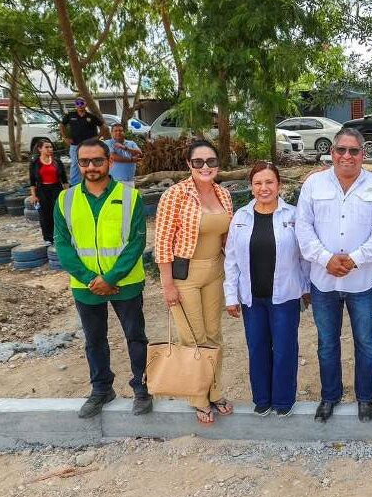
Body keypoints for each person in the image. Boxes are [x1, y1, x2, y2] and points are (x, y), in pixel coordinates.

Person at [296, 128, 372, 423]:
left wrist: (353, 260)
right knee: (327, 343)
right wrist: (326, 259)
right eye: (341, 150)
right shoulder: (313, 184)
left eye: (354, 151)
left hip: (362, 282)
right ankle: (330, 396)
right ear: (332, 152)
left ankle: (365, 398)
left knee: (366, 342)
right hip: (323, 281)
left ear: (363, 154)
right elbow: (303, 227)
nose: (347, 156)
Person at [52, 138, 152, 418]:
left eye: (97, 160)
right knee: (94, 340)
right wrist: (90, 278)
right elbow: (62, 244)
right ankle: (101, 389)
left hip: (125, 283)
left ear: (109, 161)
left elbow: (136, 242)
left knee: (135, 337)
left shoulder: (131, 197)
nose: (91, 167)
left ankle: (142, 388)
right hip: (86, 286)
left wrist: (111, 278)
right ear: (78, 164)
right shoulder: (65, 199)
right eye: (84, 162)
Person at [154, 139, 234, 426]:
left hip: (215, 271)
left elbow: (226, 237)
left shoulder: (224, 194)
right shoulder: (175, 195)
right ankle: (198, 397)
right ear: (189, 164)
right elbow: (162, 242)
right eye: (198, 162)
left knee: (214, 335)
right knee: (193, 338)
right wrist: (167, 285)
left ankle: (214, 390)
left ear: (218, 163)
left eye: (211, 161)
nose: (205, 167)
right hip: (185, 275)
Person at [224, 163, 310, 417]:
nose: (264, 188)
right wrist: (231, 295)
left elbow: (304, 257)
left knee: (284, 350)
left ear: (279, 185)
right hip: (252, 298)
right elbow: (231, 259)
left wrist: (306, 288)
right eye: (258, 183)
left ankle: (283, 401)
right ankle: (262, 399)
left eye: (269, 182)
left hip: (286, 296)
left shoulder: (293, 215)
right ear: (251, 187)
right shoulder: (241, 217)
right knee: (257, 348)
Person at [29, 140, 68, 245]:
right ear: (40, 149)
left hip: (56, 189)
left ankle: (60, 236)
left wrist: (67, 193)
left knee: (58, 213)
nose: (50, 149)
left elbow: (64, 180)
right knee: (45, 215)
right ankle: (48, 238)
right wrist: (33, 195)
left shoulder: (57, 162)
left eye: (51, 147)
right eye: (47, 147)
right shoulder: (35, 163)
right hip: (42, 190)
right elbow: (32, 181)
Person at [60, 98, 105, 186]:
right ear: (75, 105)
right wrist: (65, 137)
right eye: (78, 103)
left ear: (85, 104)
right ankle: (74, 184)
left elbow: (103, 127)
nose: (80, 105)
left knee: (90, 163)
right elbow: (62, 125)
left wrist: (98, 137)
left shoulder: (91, 116)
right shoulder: (70, 115)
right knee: (75, 164)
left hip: (89, 145)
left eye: (82, 103)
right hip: (75, 145)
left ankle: (91, 181)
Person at [105, 122, 143, 187]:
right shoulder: (108, 143)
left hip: (130, 180)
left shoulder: (131, 143)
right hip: (114, 181)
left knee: (129, 194)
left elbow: (139, 153)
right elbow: (113, 157)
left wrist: (125, 148)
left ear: (124, 132)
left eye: (120, 130)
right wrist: (131, 160)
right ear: (111, 133)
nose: (118, 132)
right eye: (115, 131)